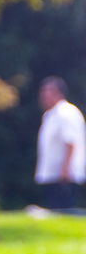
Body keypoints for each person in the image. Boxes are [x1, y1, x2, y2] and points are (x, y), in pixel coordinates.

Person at [34, 76, 86, 209]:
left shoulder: (67, 112)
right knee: (53, 210)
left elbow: (70, 141)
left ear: (58, 92)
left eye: (47, 92)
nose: (43, 96)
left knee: (64, 211)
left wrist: (65, 167)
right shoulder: (49, 115)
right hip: (51, 173)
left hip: (64, 174)